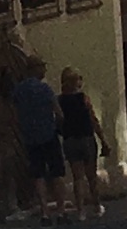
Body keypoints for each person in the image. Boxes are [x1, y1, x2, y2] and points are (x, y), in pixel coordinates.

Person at [13, 56, 66, 218]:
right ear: (35, 69)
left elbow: (15, 111)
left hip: (30, 137)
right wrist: (60, 126)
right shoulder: (45, 89)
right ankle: (61, 210)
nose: (45, 70)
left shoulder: (19, 90)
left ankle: (44, 212)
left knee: (38, 175)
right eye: (42, 66)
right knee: (57, 173)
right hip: (49, 135)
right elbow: (59, 113)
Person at [57, 71, 108, 219]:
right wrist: (103, 140)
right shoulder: (83, 98)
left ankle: (81, 211)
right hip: (86, 138)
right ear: (76, 82)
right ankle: (97, 206)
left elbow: (59, 122)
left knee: (77, 177)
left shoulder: (59, 101)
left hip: (70, 140)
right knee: (91, 176)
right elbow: (93, 120)